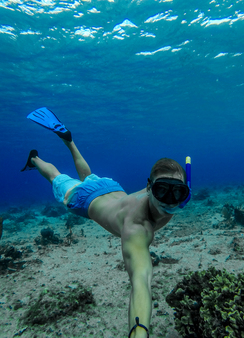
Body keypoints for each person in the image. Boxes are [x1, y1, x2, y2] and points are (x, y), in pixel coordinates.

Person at [21, 107, 191, 338]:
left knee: (88, 176)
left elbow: (167, 183)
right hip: (84, 198)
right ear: (150, 189)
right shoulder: (137, 228)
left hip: (112, 187)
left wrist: (169, 186)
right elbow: (141, 282)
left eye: (177, 193)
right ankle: (34, 158)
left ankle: (69, 141)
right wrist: (139, 333)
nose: (169, 201)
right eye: (163, 191)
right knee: (56, 176)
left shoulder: (153, 189)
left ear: (186, 193)